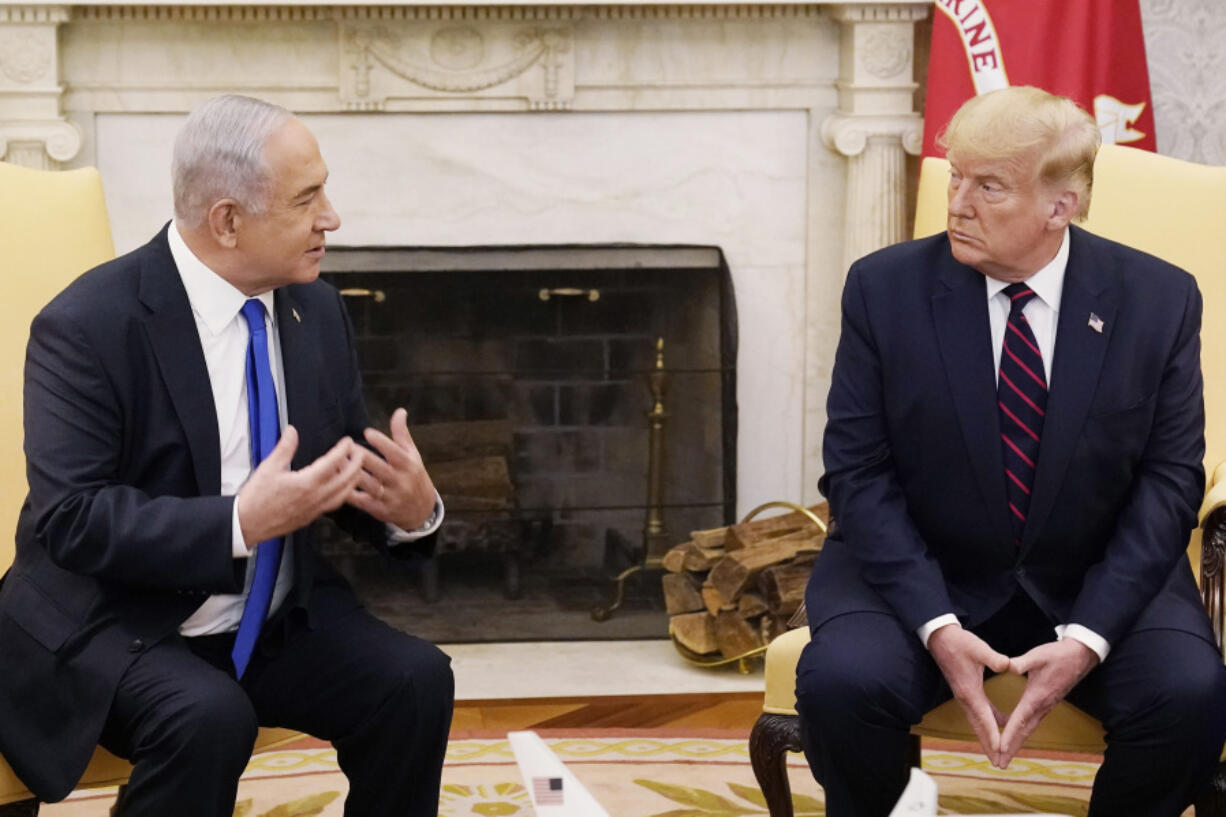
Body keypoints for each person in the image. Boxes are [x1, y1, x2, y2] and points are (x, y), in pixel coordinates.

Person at [0, 95, 454, 817]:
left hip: (272, 617)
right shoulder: (87, 324)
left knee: (415, 680)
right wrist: (238, 521)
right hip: (122, 619)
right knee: (207, 717)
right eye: (307, 199)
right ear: (228, 221)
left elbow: (334, 476)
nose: (331, 217)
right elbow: (73, 520)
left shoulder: (317, 310)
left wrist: (410, 512)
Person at [795, 85, 1226, 817]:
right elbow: (858, 473)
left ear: (1063, 205)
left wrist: (1089, 636)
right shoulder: (884, 290)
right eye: (954, 175)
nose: (956, 202)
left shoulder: (1158, 300)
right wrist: (936, 621)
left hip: (1094, 569)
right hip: (920, 569)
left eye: (987, 186)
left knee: (1188, 694)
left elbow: (1169, 479)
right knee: (841, 681)